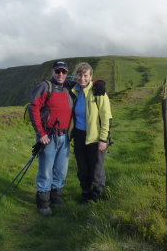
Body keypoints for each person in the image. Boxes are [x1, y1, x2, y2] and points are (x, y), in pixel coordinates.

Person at [28, 60, 106, 216]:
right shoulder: (45, 87)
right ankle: (43, 202)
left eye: (63, 71)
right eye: (58, 71)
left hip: (64, 135)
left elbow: (84, 80)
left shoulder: (69, 86)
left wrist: (100, 82)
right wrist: (41, 133)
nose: (60, 74)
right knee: (46, 170)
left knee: (61, 170)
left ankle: (56, 197)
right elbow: (33, 108)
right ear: (52, 72)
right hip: (48, 137)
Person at [69, 62, 112, 203]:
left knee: (96, 169)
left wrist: (103, 139)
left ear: (91, 76)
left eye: (85, 75)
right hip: (79, 135)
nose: (82, 79)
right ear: (76, 76)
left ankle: (96, 197)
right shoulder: (74, 91)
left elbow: (106, 117)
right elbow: (60, 79)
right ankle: (86, 194)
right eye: (80, 75)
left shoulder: (98, 91)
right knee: (82, 167)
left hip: (95, 137)